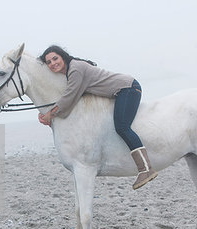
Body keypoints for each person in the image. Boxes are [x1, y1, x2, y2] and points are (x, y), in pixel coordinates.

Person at [38, 45, 157, 190]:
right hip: (121, 92)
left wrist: (50, 114)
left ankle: (146, 168)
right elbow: (69, 99)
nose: (52, 64)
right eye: (49, 62)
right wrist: (47, 113)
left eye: (55, 58)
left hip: (128, 88)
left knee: (122, 126)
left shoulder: (75, 69)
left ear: (63, 56)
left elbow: (69, 97)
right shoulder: (70, 72)